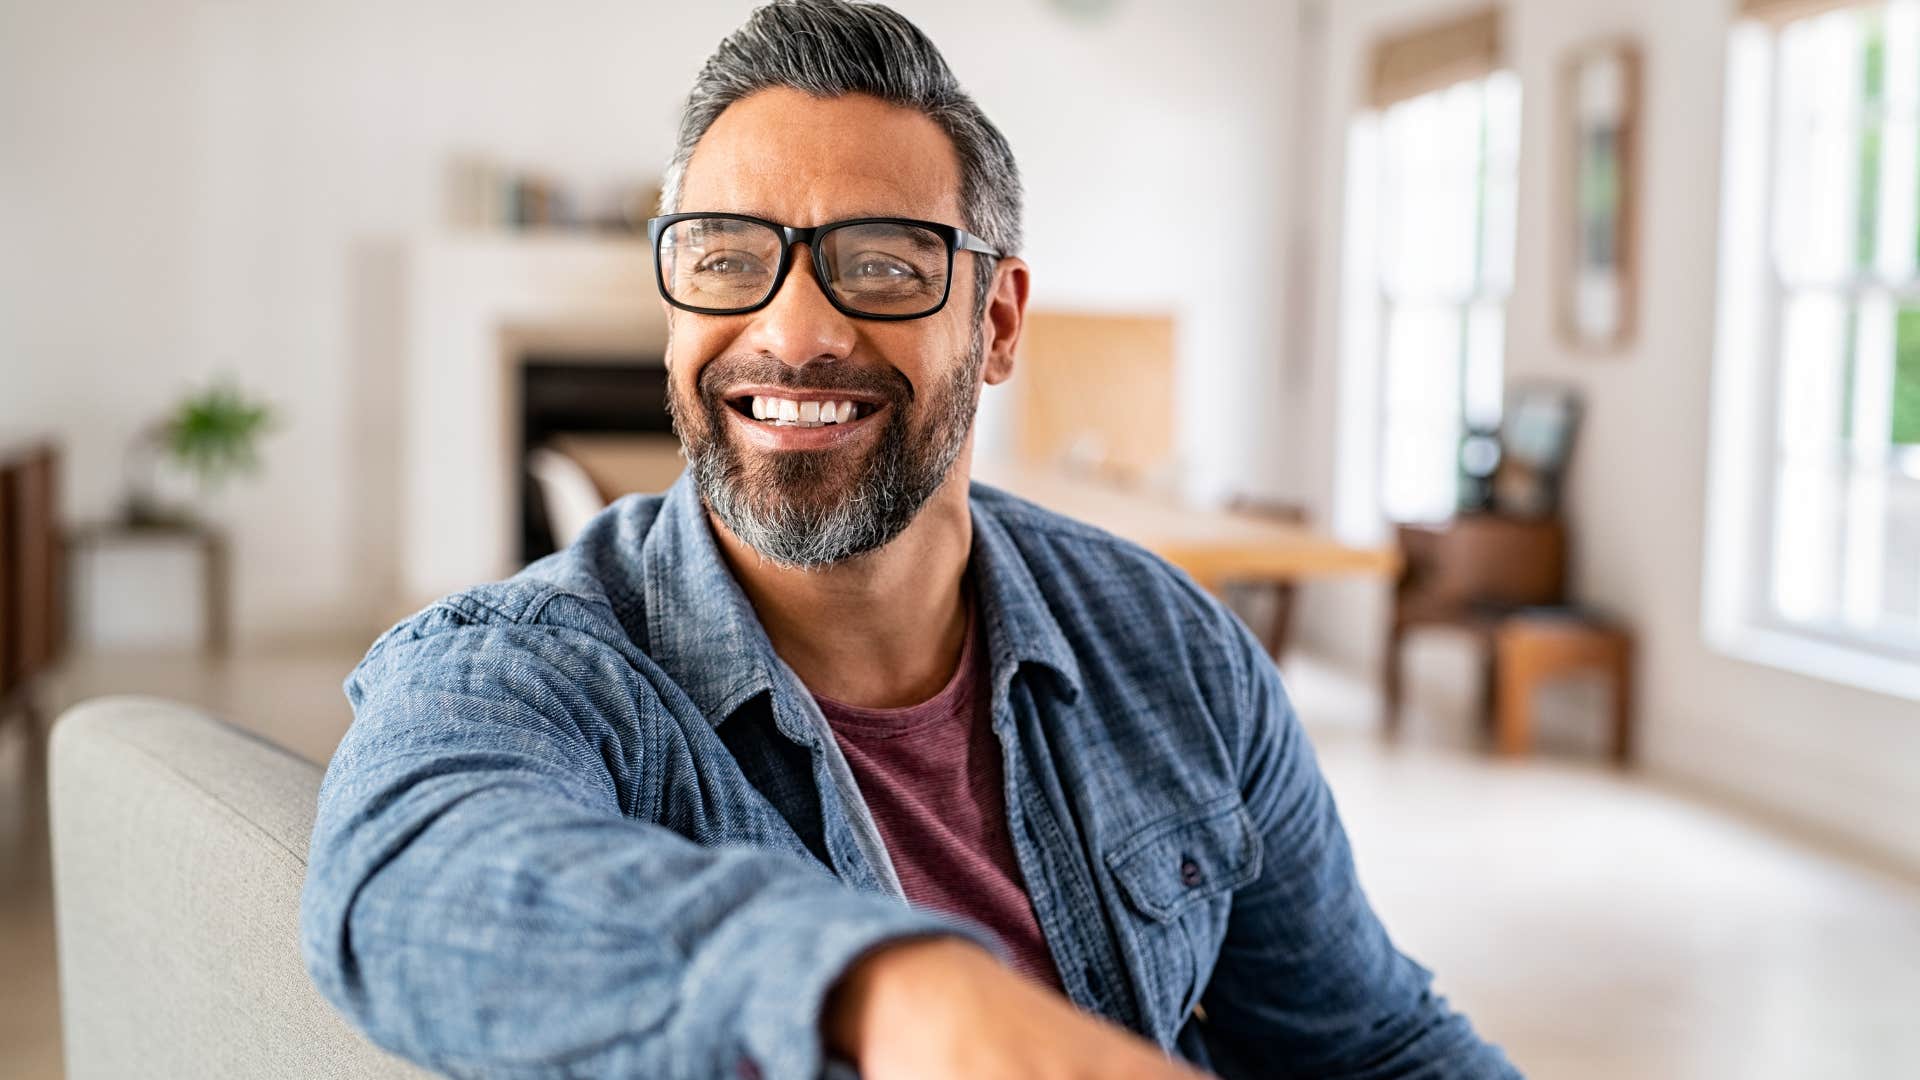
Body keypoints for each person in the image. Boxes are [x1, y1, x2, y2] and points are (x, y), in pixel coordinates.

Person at [300, 2, 1521, 1078]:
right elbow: (406, 881)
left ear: (996, 322)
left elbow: (1370, 1043)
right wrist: (893, 993)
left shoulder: (1173, 650)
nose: (793, 332)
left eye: (882, 266)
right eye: (727, 258)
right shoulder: (534, 666)